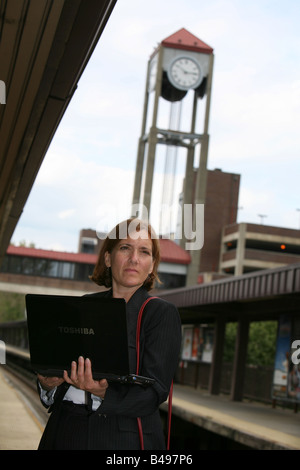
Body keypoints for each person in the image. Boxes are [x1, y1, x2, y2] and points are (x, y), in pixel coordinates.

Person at [37, 218, 182, 450]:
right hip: (63, 432)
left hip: (121, 441)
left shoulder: (160, 314)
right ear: (108, 257)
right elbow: (61, 369)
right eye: (125, 248)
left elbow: (155, 393)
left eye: (144, 252)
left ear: (152, 265)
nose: (134, 258)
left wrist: (103, 391)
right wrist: (48, 384)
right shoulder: (83, 306)